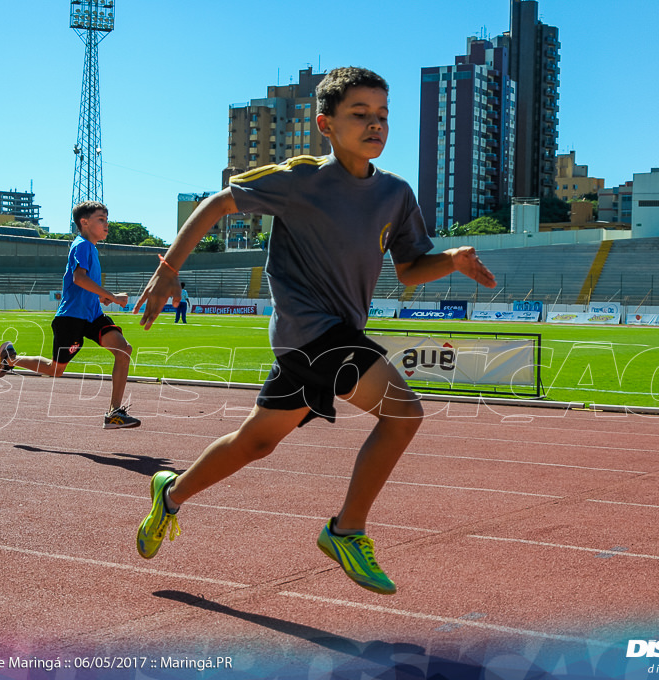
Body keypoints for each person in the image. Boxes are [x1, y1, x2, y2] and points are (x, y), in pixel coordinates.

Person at [132, 67, 496, 594]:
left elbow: (412, 266)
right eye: (360, 114)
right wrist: (168, 270)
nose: (376, 125)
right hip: (308, 332)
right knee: (403, 413)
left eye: (383, 116)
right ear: (325, 124)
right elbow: (217, 204)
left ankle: (169, 494)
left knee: (255, 443)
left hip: (333, 337)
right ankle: (346, 531)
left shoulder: (395, 193)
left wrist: (454, 260)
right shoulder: (301, 180)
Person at [0, 200, 141, 430]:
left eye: (107, 219)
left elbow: (85, 288)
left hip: (92, 317)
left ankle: (114, 413)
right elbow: (79, 279)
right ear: (84, 222)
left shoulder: (90, 248)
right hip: (71, 319)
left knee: (124, 350)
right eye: (101, 219)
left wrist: (106, 298)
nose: (106, 224)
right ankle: (10, 359)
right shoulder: (81, 245)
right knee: (56, 370)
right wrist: (111, 294)